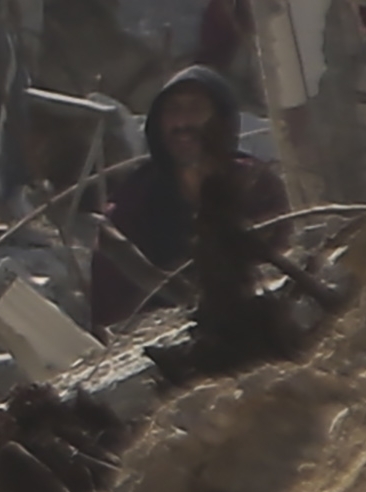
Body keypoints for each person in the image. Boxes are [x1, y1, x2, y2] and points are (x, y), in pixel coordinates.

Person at [83, 64, 324, 371]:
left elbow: (280, 266)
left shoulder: (256, 185)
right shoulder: (134, 202)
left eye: (196, 109)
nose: (183, 123)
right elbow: (114, 313)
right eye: (173, 110)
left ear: (222, 119)